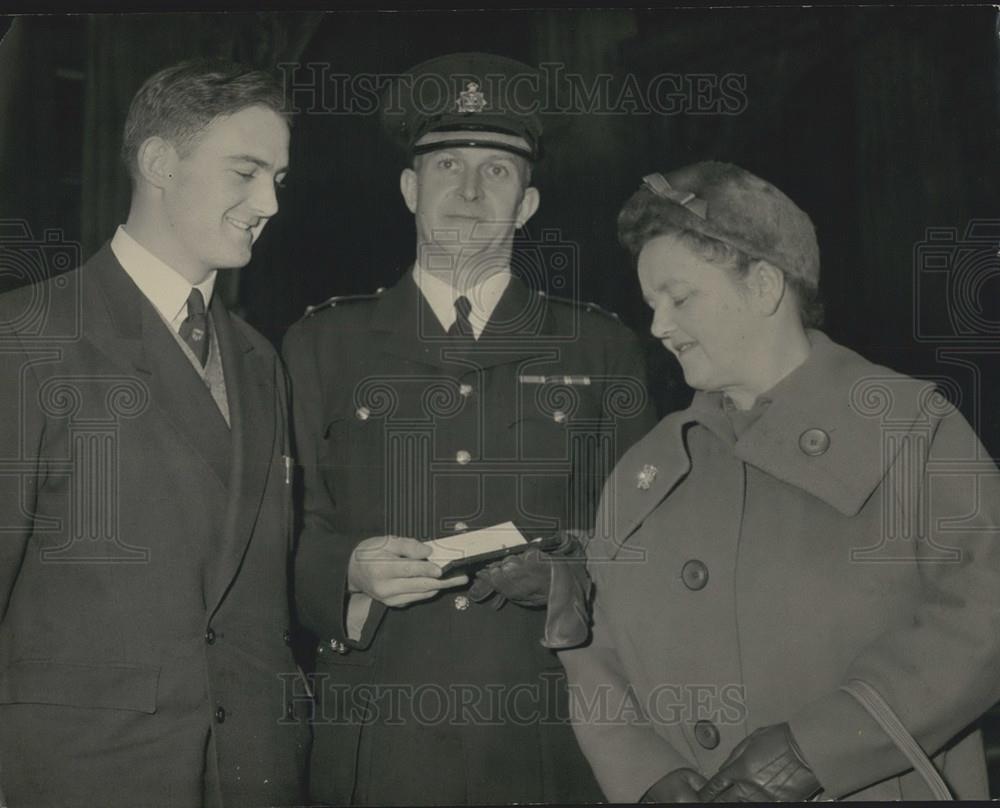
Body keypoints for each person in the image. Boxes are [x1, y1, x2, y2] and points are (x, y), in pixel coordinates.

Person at [559, 161, 1000, 802]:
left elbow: (985, 616)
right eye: (652, 305)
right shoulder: (647, 467)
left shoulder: (910, 427)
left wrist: (817, 748)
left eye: (680, 299)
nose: (658, 327)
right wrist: (645, 776)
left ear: (764, 286)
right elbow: (595, 651)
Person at [283, 52, 657, 806]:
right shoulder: (323, 345)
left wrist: (564, 581)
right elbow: (276, 535)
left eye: (497, 171)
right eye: (448, 164)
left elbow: (644, 545)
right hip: (380, 734)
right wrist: (347, 570)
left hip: (543, 734)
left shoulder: (599, 348)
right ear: (409, 189)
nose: (469, 190)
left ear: (527, 204)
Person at [0, 59, 308, 807]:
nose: (268, 201)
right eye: (245, 172)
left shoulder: (261, 359)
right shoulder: (29, 337)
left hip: (253, 771)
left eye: (278, 178)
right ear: (159, 162)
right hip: (87, 774)